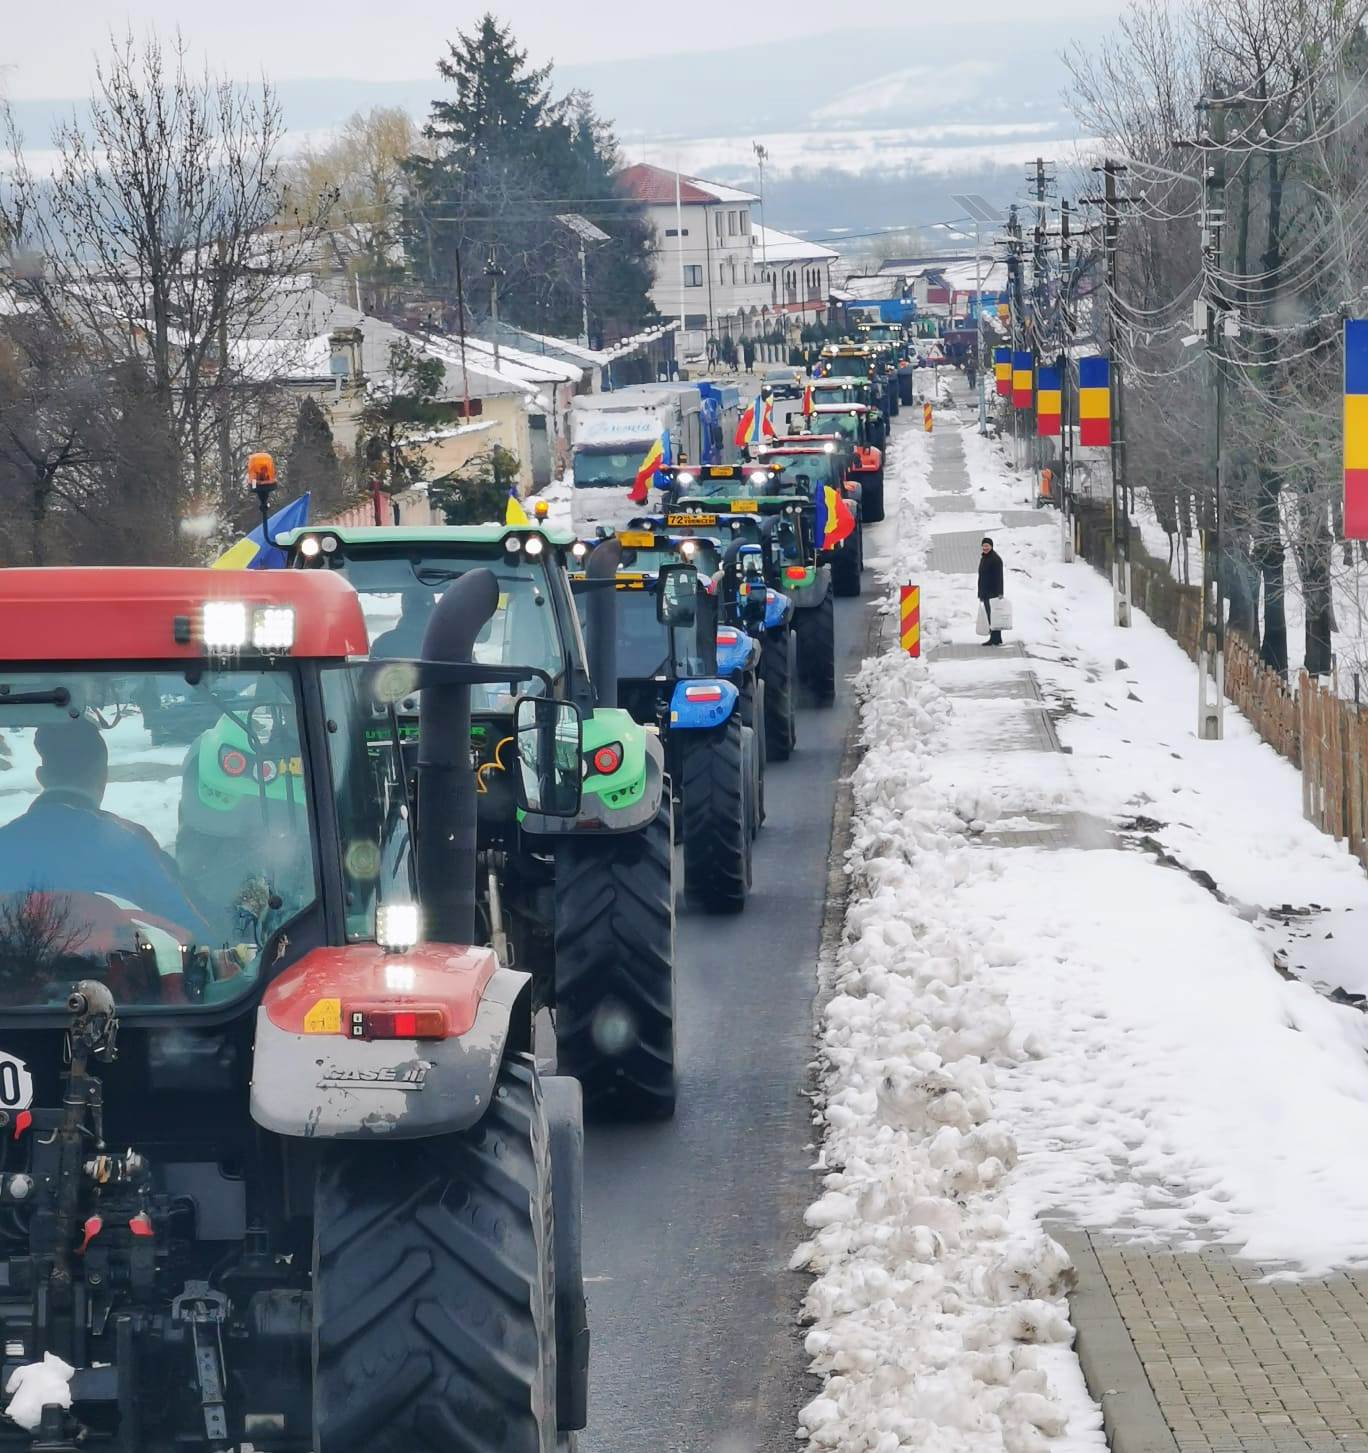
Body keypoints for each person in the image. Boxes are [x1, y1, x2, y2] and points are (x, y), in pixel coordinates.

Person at [0, 719, 208, 931]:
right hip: (110, 963)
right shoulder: (131, 843)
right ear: (103, 776)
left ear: (41, 777)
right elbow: (194, 930)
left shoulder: (3, 843)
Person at [370, 587, 433, 659]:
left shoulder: (383, 643)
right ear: (434, 607)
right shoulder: (444, 643)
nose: (419, 609)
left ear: (403, 608)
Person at [978, 536, 1005, 647]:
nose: (985, 548)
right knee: (991, 615)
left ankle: (994, 638)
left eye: (987, 546)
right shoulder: (985, 557)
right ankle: (996, 638)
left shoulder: (995, 559)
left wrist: (1000, 593)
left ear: (991, 546)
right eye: (983, 546)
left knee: (993, 615)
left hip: (992, 592)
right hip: (985, 591)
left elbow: (999, 577)